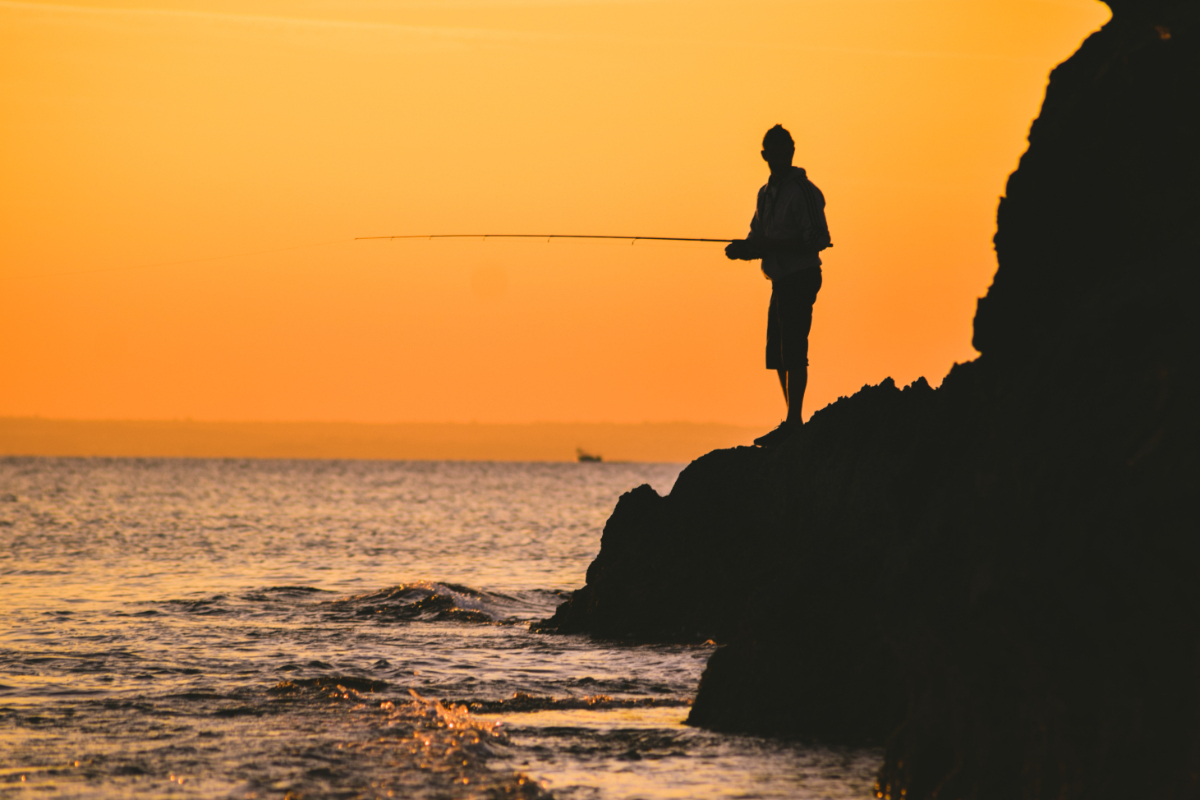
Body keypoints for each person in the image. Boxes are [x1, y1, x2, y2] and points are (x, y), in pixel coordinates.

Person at [725, 124, 832, 447]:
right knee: (779, 353)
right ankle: (791, 419)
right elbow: (758, 237)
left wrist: (772, 244)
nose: (780, 156)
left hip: (801, 276)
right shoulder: (765, 194)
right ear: (765, 155)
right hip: (779, 280)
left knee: (794, 349)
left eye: (786, 150)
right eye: (774, 152)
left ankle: (794, 422)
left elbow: (819, 239)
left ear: (792, 151)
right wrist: (743, 250)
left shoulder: (805, 191)